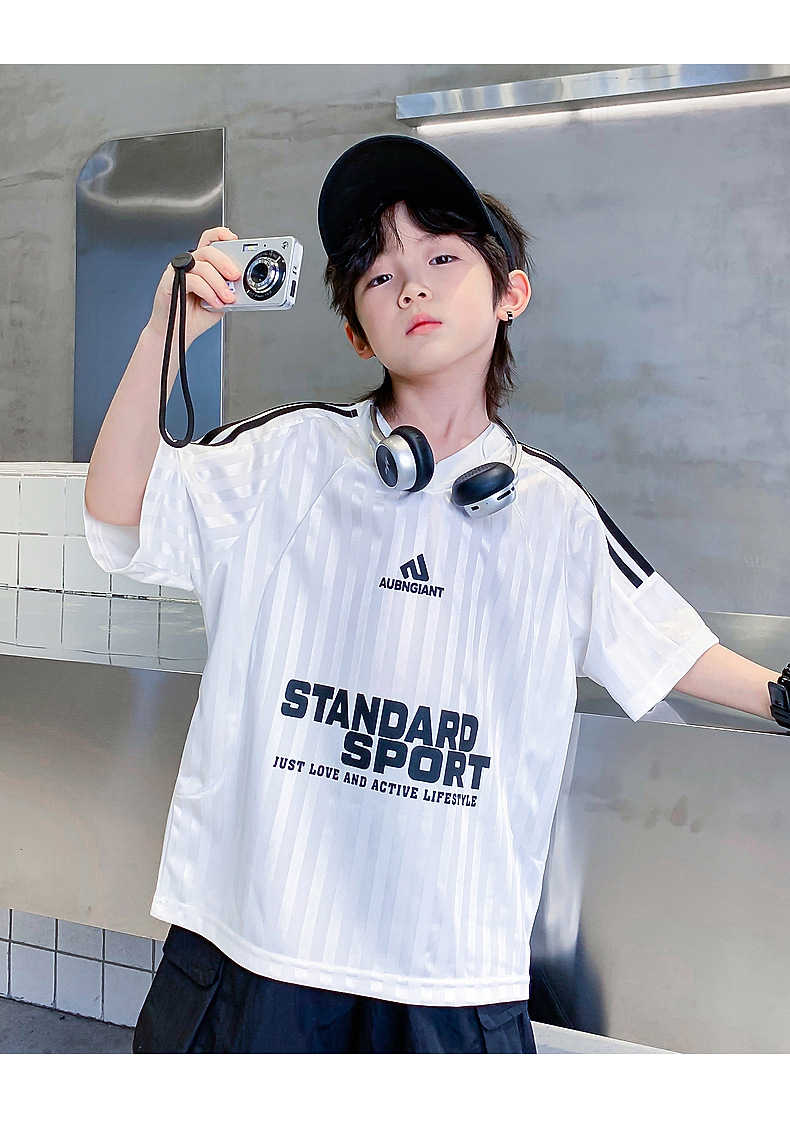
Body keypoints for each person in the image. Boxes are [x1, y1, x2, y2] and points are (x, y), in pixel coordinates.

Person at [83, 134, 784, 1054]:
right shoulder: (287, 458)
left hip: (448, 974)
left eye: (443, 258)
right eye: (378, 275)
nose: (411, 285)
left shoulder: (553, 513)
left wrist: (780, 695)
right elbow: (120, 508)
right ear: (356, 330)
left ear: (510, 293)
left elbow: (670, 646)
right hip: (255, 949)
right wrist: (162, 336)